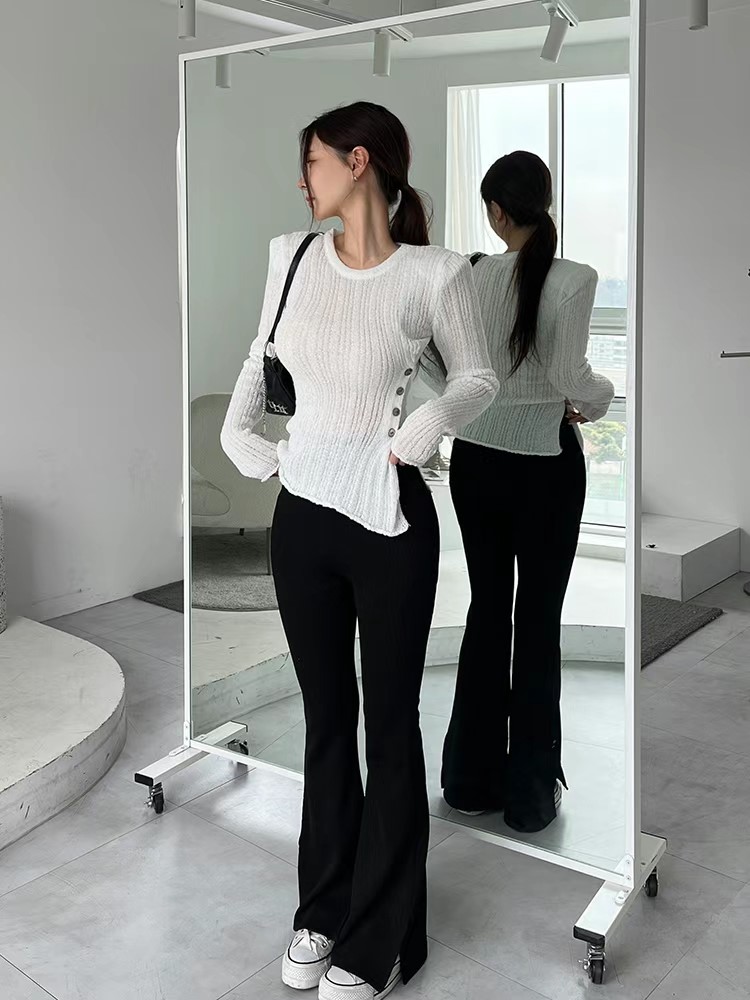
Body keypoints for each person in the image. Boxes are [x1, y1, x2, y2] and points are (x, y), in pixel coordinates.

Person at [220, 101, 498, 999]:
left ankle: (385, 935)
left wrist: (431, 420)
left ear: (358, 161)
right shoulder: (291, 255)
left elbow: (479, 374)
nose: (302, 180)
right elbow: (260, 356)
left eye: (312, 162)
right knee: (326, 720)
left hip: (390, 522)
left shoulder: (435, 272)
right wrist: (238, 434)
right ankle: (322, 910)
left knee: (390, 723)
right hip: (302, 521)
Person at [441, 151, 615, 835]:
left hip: (475, 463)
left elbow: (434, 360)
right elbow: (574, 376)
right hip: (545, 466)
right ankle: (531, 797)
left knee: (487, 610)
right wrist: (598, 399)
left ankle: (468, 781)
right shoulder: (575, 279)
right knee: (537, 621)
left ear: (496, 210)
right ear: (544, 202)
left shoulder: (470, 273)